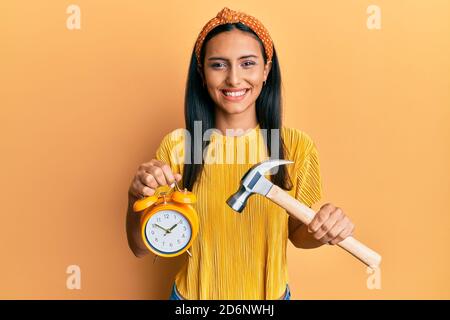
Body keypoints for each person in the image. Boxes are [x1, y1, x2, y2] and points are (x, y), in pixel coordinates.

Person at [126, 7, 355, 300]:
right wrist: (135, 197)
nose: (234, 79)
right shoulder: (178, 147)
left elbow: (298, 235)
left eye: (247, 63)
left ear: (266, 70)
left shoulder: (296, 146)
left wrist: (324, 228)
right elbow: (140, 247)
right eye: (218, 65)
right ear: (202, 72)